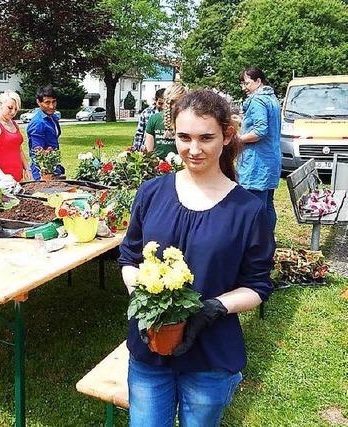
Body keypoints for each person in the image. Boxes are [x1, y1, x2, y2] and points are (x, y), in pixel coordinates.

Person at [119, 90, 275, 427]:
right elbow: (129, 259)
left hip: (210, 355)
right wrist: (145, 299)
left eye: (206, 138)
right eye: (184, 137)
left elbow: (258, 284)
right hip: (150, 349)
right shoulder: (151, 193)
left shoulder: (247, 210)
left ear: (227, 135)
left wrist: (215, 307)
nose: (193, 149)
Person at [237, 66, 281, 236]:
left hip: (257, 162)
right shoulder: (272, 98)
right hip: (270, 159)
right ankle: (268, 242)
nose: (244, 87)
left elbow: (260, 131)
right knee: (268, 205)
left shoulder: (258, 100)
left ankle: (256, 245)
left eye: (247, 83)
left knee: (254, 207)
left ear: (258, 81)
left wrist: (237, 140)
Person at [0, 90, 31, 182]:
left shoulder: (14, 124)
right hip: (3, 179)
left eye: (16, 109)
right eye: (10, 108)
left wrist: (27, 168)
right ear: (1, 104)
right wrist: (0, 175)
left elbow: (19, 149)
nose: (13, 112)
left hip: (18, 176)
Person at [27, 84, 65, 179]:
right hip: (43, 172)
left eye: (54, 102)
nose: (51, 106)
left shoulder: (52, 117)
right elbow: (37, 154)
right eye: (47, 102)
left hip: (54, 167)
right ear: (38, 102)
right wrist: (47, 175)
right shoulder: (38, 123)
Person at [144, 82, 188, 159]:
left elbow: (149, 151)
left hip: (158, 166)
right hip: (182, 166)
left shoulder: (154, 118)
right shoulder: (187, 120)